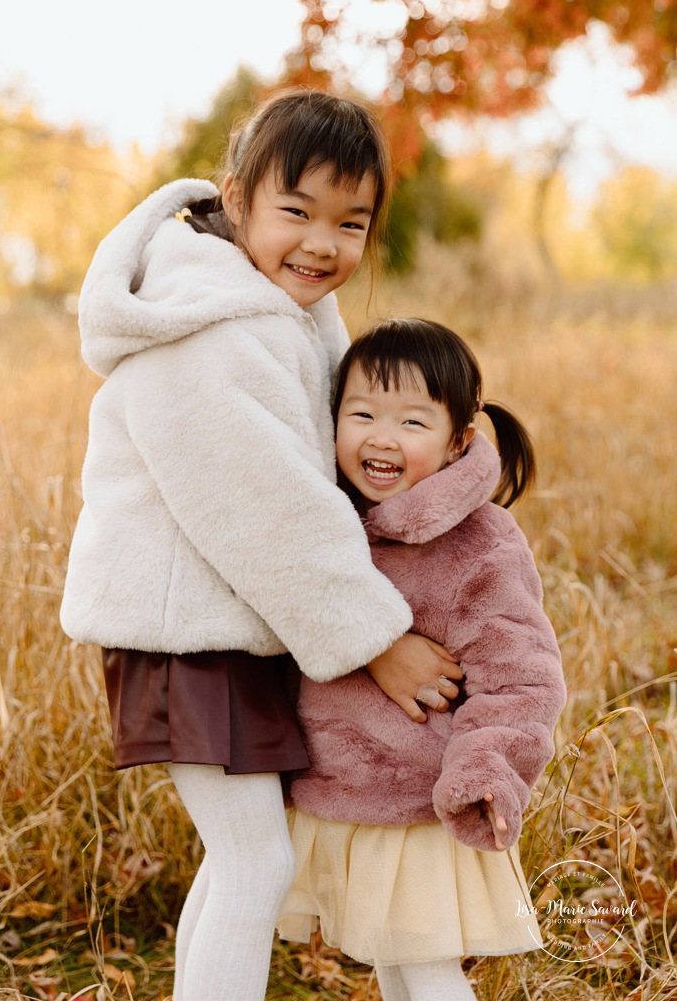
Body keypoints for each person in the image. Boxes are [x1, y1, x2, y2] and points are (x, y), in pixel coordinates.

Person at [59, 91, 463, 1001]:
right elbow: (267, 508)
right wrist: (377, 640)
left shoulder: (273, 314)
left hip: (228, 629)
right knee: (255, 862)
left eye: (350, 222)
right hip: (185, 635)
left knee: (242, 857)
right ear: (237, 197)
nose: (322, 244)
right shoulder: (206, 331)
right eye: (297, 211)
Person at [278, 318, 567, 1001]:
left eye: (412, 421)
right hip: (339, 790)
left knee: (427, 968)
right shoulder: (325, 521)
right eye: (361, 414)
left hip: (422, 797)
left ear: (456, 441)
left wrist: (484, 768)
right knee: (391, 961)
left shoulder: (478, 544)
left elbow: (522, 677)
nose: (382, 438)